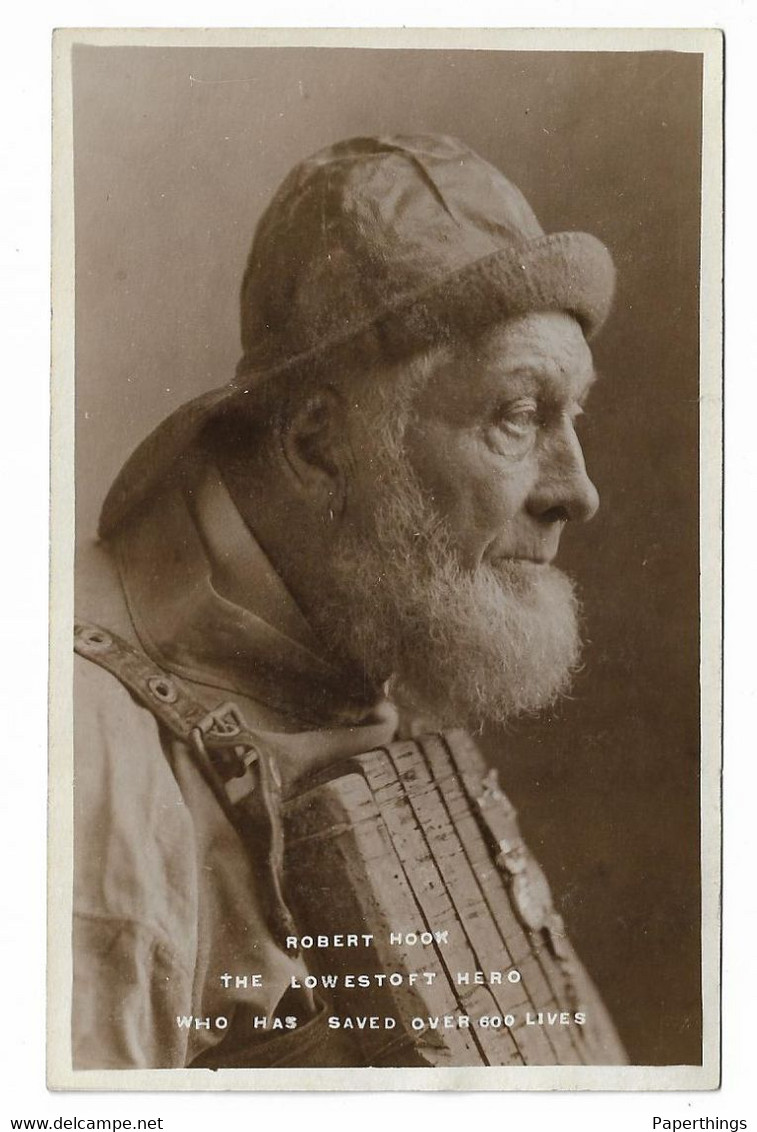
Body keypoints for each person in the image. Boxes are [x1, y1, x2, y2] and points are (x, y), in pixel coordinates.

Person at [72, 134, 626, 1070]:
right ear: (320, 445)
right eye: (518, 416)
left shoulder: (385, 645)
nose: (577, 489)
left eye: (572, 417)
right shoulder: (66, 748)